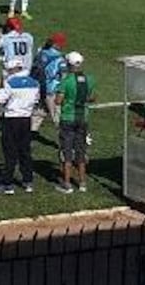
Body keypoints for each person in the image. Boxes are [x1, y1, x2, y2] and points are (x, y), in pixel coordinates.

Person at [0, 58, 40, 194]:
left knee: (10, 151)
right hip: (26, 119)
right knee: (25, 151)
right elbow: (36, 100)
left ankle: (8, 183)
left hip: (11, 119)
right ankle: (28, 181)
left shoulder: (10, 82)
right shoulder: (34, 83)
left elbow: (2, 99)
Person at [56, 51, 95, 193]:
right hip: (83, 118)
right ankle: (82, 182)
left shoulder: (66, 81)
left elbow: (58, 101)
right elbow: (92, 97)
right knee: (81, 151)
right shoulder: (90, 79)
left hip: (68, 118)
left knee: (66, 152)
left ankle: (67, 184)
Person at [33, 33, 68, 131]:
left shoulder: (40, 53)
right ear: (57, 44)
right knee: (57, 117)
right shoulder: (60, 59)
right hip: (52, 91)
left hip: (38, 88)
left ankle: (31, 134)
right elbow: (64, 76)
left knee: (38, 114)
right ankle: (66, 141)